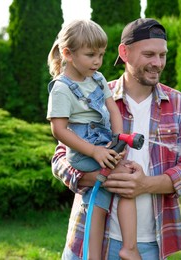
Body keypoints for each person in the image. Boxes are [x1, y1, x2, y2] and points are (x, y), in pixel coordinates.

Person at [51, 18, 181, 260]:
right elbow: (60, 159)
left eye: (162, 55)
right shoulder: (93, 96)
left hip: (150, 244)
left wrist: (144, 184)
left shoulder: (180, 105)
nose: (157, 63)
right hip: (89, 238)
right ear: (124, 52)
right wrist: (98, 178)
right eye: (149, 54)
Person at [47, 19, 140, 260]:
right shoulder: (61, 88)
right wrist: (94, 152)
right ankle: (127, 249)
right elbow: (59, 130)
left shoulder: (97, 79)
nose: (98, 61)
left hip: (103, 142)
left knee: (102, 195)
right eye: (90, 55)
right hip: (82, 150)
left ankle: (101, 254)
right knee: (125, 179)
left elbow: (113, 110)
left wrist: (118, 139)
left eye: (101, 54)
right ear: (68, 54)